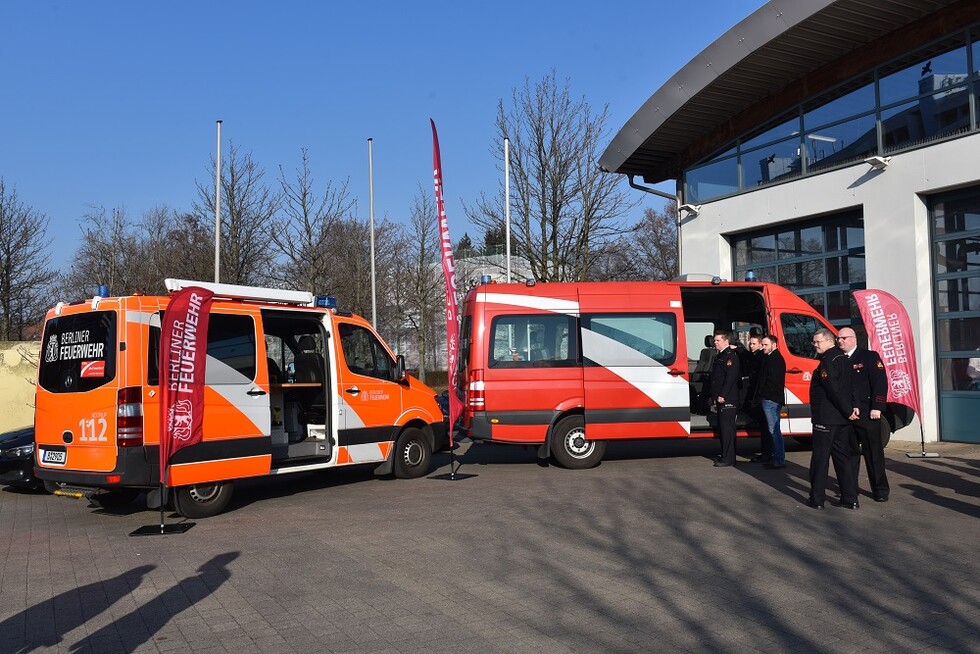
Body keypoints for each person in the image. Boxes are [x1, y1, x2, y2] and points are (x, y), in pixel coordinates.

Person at [807, 328, 860, 509]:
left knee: (820, 460)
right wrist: (852, 408)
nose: (815, 345)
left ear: (829, 341)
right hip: (841, 419)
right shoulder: (845, 358)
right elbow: (852, 387)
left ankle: (817, 499)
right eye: (814, 342)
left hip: (827, 418)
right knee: (843, 459)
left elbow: (833, 389)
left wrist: (848, 410)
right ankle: (850, 498)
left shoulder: (829, 360)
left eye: (818, 342)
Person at [837, 327, 890, 502]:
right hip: (847, 414)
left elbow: (880, 383)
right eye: (838, 338)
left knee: (873, 454)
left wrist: (877, 406)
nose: (840, 341)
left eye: (844, 338)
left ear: (853, 339)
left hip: (868, 414)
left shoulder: (869, 357)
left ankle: (880, 490)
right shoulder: (838, 359)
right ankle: (851, 489)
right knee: (849, 454)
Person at [709, 329, 740, 467]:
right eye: (714, 340)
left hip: (728, 399)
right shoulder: (720, 355)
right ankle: (726, 455)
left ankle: (729, 459)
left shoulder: (730, 356)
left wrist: (722, 395)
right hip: (720, 398)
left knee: (727, 430)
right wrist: (713, 396)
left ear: (726, 341)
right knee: (723, 429)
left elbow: (730, 378)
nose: (715, 343)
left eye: (718, 340)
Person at [755, 334, 787, 469]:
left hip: (771, 399)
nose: (763, 347)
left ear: (774, 345)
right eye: (762, 344)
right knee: (772, 429)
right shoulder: (769, 358)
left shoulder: (775, 359)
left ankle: (779, 459)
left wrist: (763, 394)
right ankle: (776, 457)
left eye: (765, 345)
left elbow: (772, 381)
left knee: (773, 429)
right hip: (770, 398)